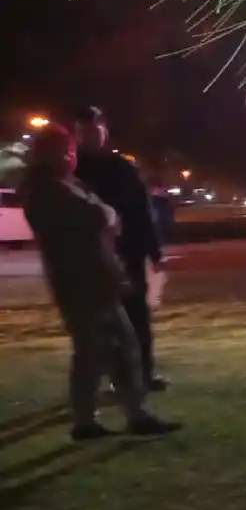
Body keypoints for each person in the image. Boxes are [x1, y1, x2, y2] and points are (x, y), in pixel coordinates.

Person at [20, 126, 179, 440]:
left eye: (71, 150)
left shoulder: (69, 185)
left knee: (122, 347)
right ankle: (90, 421)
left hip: (99, 277)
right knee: (93, 351)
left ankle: (133, 414)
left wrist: (105, 217)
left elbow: (104, 216)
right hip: (79, 282)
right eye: (62, 150)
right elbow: (98, 216)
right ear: (44, 155)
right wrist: (105, 215)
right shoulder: (46, 191)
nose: (70, 156)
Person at [73, 106, 168, 392]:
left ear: (105, 131)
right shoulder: (72, 171)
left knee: (137, 316)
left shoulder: (122, 168)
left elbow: (141, 211)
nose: (91, 136)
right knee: (101, 323)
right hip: (91, 257)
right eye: (84, 131)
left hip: (129, 254)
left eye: (96, 129)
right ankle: (112, 379)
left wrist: (153, 250)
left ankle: (144, 373)